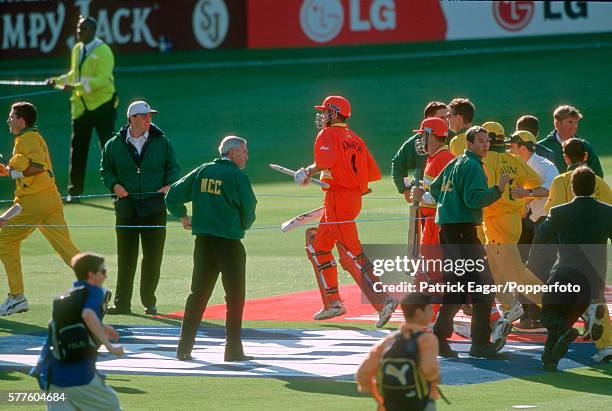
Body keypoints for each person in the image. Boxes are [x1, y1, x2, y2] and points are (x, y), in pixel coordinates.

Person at [295, 95, 397, 328]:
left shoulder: (328, 134)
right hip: (347, 197)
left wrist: (307, 172)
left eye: (325, 111)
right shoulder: (356, 139)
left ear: (333, 112)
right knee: (318, 246)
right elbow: (370, 172)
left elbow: (324, 161)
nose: (321, 115)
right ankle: (333, 303)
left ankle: (383, 301)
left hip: (340, 198)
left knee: (351, 253)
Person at [166, 136, 257, 362]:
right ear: (233, 152)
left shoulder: (203, 170)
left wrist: (182, 215)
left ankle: (184, 348)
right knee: (235, 296)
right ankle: (233, 349)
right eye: (244, 151)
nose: (247, 155)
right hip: (229, 243)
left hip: (203, 242)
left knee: (198, 294)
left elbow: (173, 195)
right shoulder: (237, 176)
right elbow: (249, 209)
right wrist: (240, 226)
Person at [429, 126, 511, 359]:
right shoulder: (474, 166)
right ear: (470, 144)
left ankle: (439, 338)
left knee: (456, 287)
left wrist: (450, 205)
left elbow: (435, 189)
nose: (485, 145)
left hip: (447, 231)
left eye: (487, 141)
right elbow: (474, 200)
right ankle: (480, 344)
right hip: (463, 233)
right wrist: (498, 188)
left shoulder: (455, 162)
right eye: (481, 141)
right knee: (483, 286)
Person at [0, 102, 80, 316]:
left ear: (21, 120)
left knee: (5, 240)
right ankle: (96, 286)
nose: (8, 120)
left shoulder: (27, 138)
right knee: (64, 246)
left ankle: (17, 297)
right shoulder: (30, 137)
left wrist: (14, 173)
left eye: (11, 116)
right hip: (49, 198)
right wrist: (8, 171)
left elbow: (37, 167)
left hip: (36, 200)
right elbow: (31, 170)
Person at [100, 101, 179, 315]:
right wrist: (115, 185)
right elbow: (106, 170)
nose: (148, 119)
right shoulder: (113, 144)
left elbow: (173, 168)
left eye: (149, 116)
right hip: (127, 207)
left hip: (155, 206)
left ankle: (149, 301)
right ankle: (122, 302)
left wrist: (169, 185)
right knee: (126, 256)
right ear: (131, 118)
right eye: (143, 116)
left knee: (153, 256)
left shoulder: (161, 141)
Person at [540, 140, 612, 363]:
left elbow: (542, 234)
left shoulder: (561, 211)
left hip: (565, 272)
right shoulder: (607, 212)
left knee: (549, 313)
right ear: (595, 186)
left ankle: (565, 334)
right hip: (593, 279)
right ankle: (549, 359)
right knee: (564, 319)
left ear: (572, 187)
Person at [30, 252, 124, 410]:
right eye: (103, 271)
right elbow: (87, 315)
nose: (105, 276)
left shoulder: (66, 297)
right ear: (91, 275)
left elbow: (73, 324)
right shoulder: (94, 292)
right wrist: (110, 346)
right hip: (78, 376)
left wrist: (101, 327)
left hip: (49, 373)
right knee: (112, 406)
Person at [479, 122, 544, 348]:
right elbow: (535, 182)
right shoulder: (514, 160)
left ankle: (555, 306)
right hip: (513, 220)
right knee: (494, 270)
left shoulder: (483, 161)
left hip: (496, 220)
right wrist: (523, 196)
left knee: (515, 273)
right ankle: (509, 306)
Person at [46, 16, 117, 203]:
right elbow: (74, 74)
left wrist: (75, 86)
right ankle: (74, 192)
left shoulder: (104, 51)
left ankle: (116, 191)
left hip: (103, 106)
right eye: (78, 28)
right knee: (77, 150)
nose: (79, 32)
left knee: (108, 149)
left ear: (93, 31)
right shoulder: (77, 49)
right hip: (81, 109)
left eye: (83, 29)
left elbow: (102, 79)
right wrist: (58, 82)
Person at [507, 130, 558, 331]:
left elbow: (550, 189)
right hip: (529, 221)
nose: (510, 149)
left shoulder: (545, 165)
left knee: (536, 269)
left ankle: (533, 317)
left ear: (523, 147)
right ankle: (529, 316)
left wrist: (526, 194)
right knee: (526, 268)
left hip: (546, 222)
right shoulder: (516, 165)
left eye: (513, 146)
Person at [357, 293, 440, 411]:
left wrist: (379, 398)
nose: (432, 313)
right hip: (419, 402)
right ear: (418, 313)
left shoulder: (387, 342)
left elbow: (363, 374)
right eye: (429, 310)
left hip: (389, 404)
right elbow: (429, 369)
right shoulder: (427, 340)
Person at [410, 117, 455, 284]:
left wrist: (421, 196)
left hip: (436, 222)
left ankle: (432, 308)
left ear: (432, 136)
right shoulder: (437, 157)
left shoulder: (442, 159)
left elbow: (444, 197)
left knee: (431, 271)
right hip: (435, 221)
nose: (421, 140)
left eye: (423, 136)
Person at [391, 101, 448, 201]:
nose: (446, 121)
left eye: (447, 117)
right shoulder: (416, 141)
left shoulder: (454, 138)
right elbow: (398, 163)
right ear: (428, 118)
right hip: (423, 196)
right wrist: (405, 188)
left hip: (444, 196)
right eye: (442, 118)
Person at [538, 105, 603, 177]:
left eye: (576, 122)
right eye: (570, 122)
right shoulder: (541, 147)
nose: (574, 126)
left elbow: (598, 176)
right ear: (557, 123)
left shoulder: (585, 146)